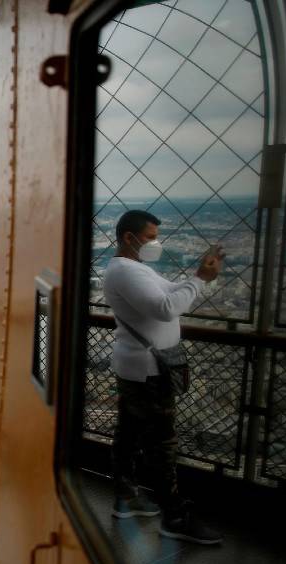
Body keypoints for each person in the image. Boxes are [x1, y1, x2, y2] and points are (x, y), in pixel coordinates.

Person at [103, 210, 224, 544]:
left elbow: (171, 294)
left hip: (140, 367)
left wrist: (200, 277)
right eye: (151, 236)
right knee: (162, 442)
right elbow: (167, 308)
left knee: (129, 433)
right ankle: (173, 514)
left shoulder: (134, 269)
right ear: (129, 237)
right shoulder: (126, 271)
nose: (155, 242)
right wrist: (199, 278)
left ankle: (126, 497)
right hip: (148, 371)